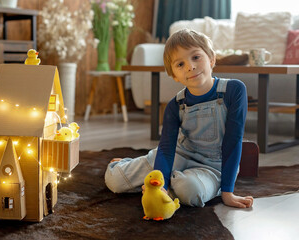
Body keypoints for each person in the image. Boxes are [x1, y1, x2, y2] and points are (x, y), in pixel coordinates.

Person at [105, 28, 254, 208]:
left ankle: (165, 181)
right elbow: (167, 149)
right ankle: (130, 166)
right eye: (180, 64)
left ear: (211, 59)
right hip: (178, 155)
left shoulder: (234, 90)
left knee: (190, 192)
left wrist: (227, 192)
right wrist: (161, 186)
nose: (190, 66)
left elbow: (233, 140)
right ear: (174, 75)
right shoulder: (174, 105)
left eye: (196, 57)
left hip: (213, 167)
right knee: (116, 181)